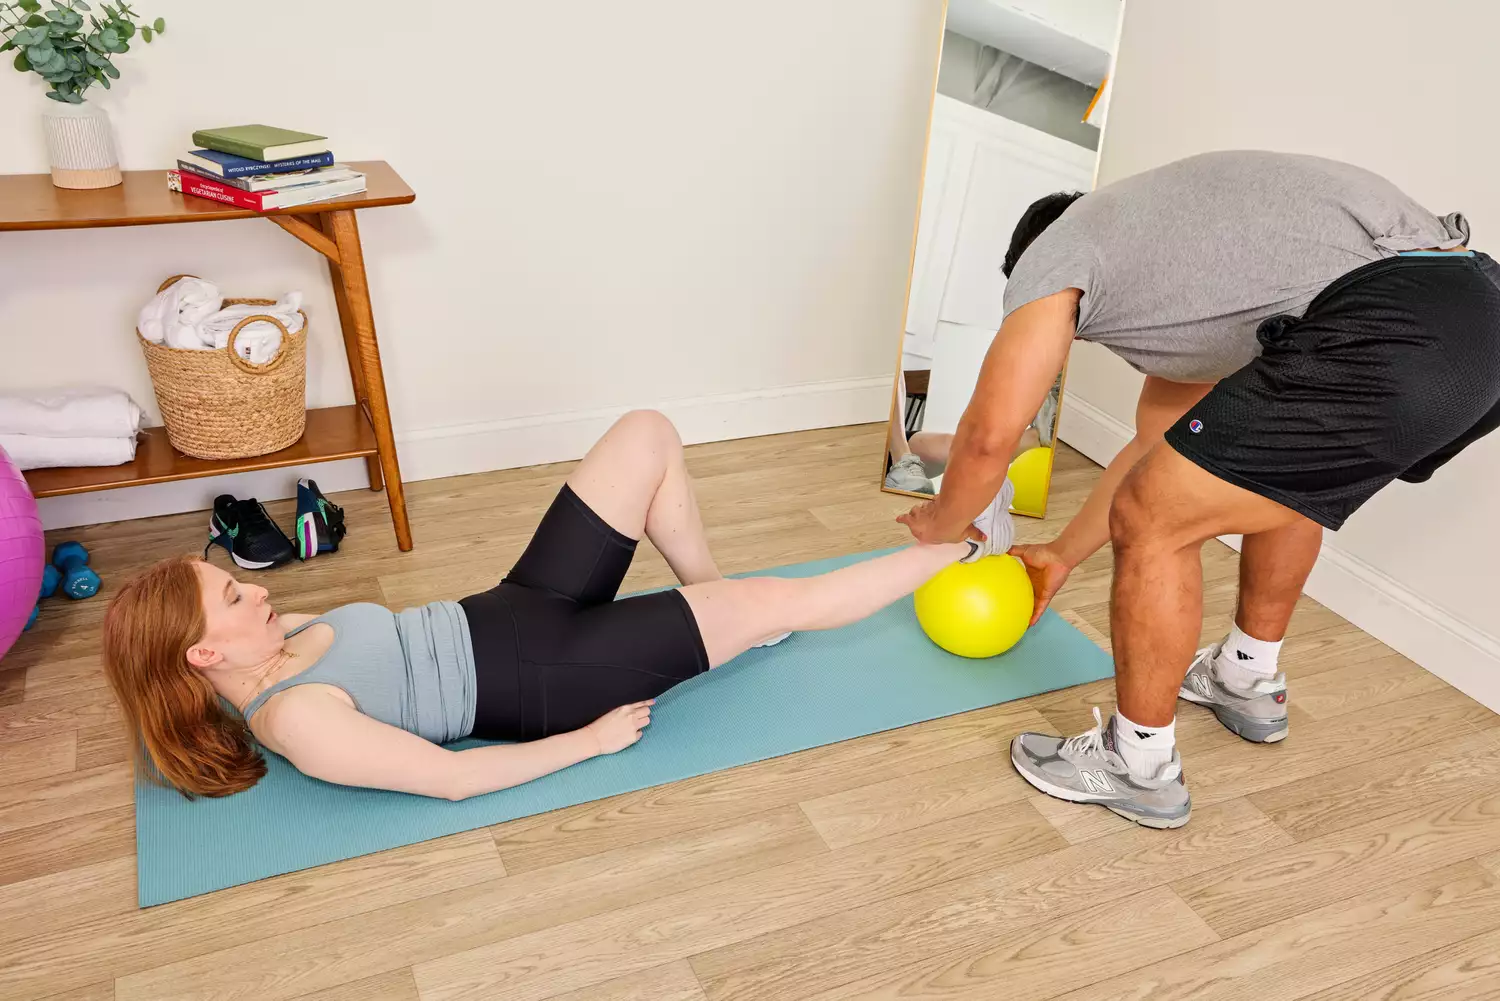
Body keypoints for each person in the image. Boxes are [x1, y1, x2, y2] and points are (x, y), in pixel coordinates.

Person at [897, 149, 1500, 828]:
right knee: (1270, 476)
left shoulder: (1058, 252)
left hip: (1394, 323)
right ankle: (1246, 676)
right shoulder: (1187, 273)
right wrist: (1062, 554)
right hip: (1479, 312)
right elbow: (1157, 447)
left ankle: (1138, 764)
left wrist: (945, 525)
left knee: (1153, 518)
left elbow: (985, 439)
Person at [103, 410, 1016, 800]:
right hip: (547, 677)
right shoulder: (299, 720)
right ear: (204, 655)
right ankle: (973, 542)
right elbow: (452, 776)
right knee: (791, 598)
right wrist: (589, 741)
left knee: (646, 433)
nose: (257, 587)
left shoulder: (278, 638)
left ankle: (715, 600)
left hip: (515, 605)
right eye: (233, 594)